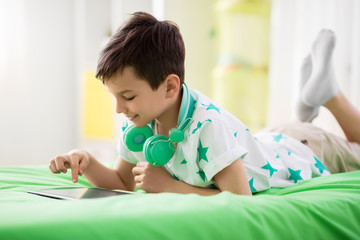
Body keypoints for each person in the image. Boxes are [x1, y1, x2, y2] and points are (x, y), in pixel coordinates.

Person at [49, 12, 360, 196]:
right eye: (115, 97)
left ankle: (331, 95)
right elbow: (121, 182)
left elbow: (239, 200)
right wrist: (86, 161)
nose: (119, 109)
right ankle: (312, 103)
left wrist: (171, 186)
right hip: (269, 139)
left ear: (170, 86)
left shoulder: (207, 125)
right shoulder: (140, 120)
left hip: (304, 149)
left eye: (127, 97)